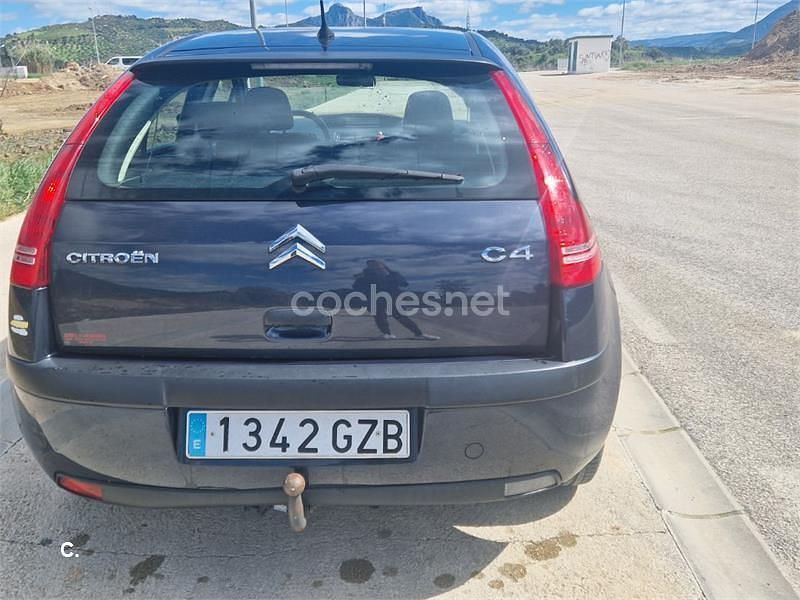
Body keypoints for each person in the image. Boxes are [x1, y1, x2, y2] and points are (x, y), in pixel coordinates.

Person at [353, 259, 439, 340]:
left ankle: (418, 334)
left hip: (392, 298)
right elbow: (358, 287)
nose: (374, 267)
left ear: (383, 265)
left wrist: (390, 275)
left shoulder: (392, 274)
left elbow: (404, 283)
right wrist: (360, 278)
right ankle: (387, 334)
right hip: (376, 299)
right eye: (370, 265)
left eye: (376, 264)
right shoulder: (365, 276)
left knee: (400, 316)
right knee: (380, 317)